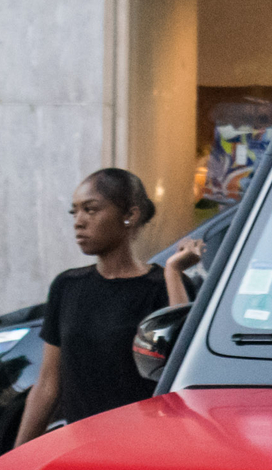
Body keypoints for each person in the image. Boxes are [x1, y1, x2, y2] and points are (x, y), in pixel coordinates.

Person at [14, 168, 173, 446]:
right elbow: (48, 385)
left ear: (130, 215)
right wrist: (14, 460)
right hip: (82, 449)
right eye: (74, 212)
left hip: (144, 450)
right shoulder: (67, 286)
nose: (78, 222)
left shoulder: (161, 287)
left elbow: (178, 379)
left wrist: (174, 272)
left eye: (91, 209)